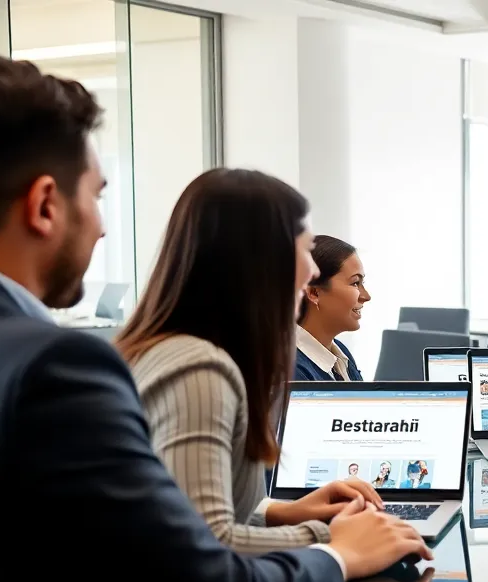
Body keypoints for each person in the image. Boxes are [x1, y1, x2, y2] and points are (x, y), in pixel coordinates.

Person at [0, 56, 478, 582]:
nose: (100, 228)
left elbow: (125, 529)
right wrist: (337, 551)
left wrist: (283, 515)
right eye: (96, 195)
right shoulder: (61, 367)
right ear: (43, 204)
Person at [115, 171, 387, 554]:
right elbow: (203, 543)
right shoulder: (199, 369)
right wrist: (335, 541)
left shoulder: (187, 353)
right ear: (261, 259)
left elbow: (205, 510)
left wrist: (285, 512)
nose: (310, 271)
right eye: (303, 251)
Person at [294, 234, 367, 381]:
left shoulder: (340, 353)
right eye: (355, 283)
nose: (366, 296)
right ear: (314, 293)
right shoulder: (292, 372)